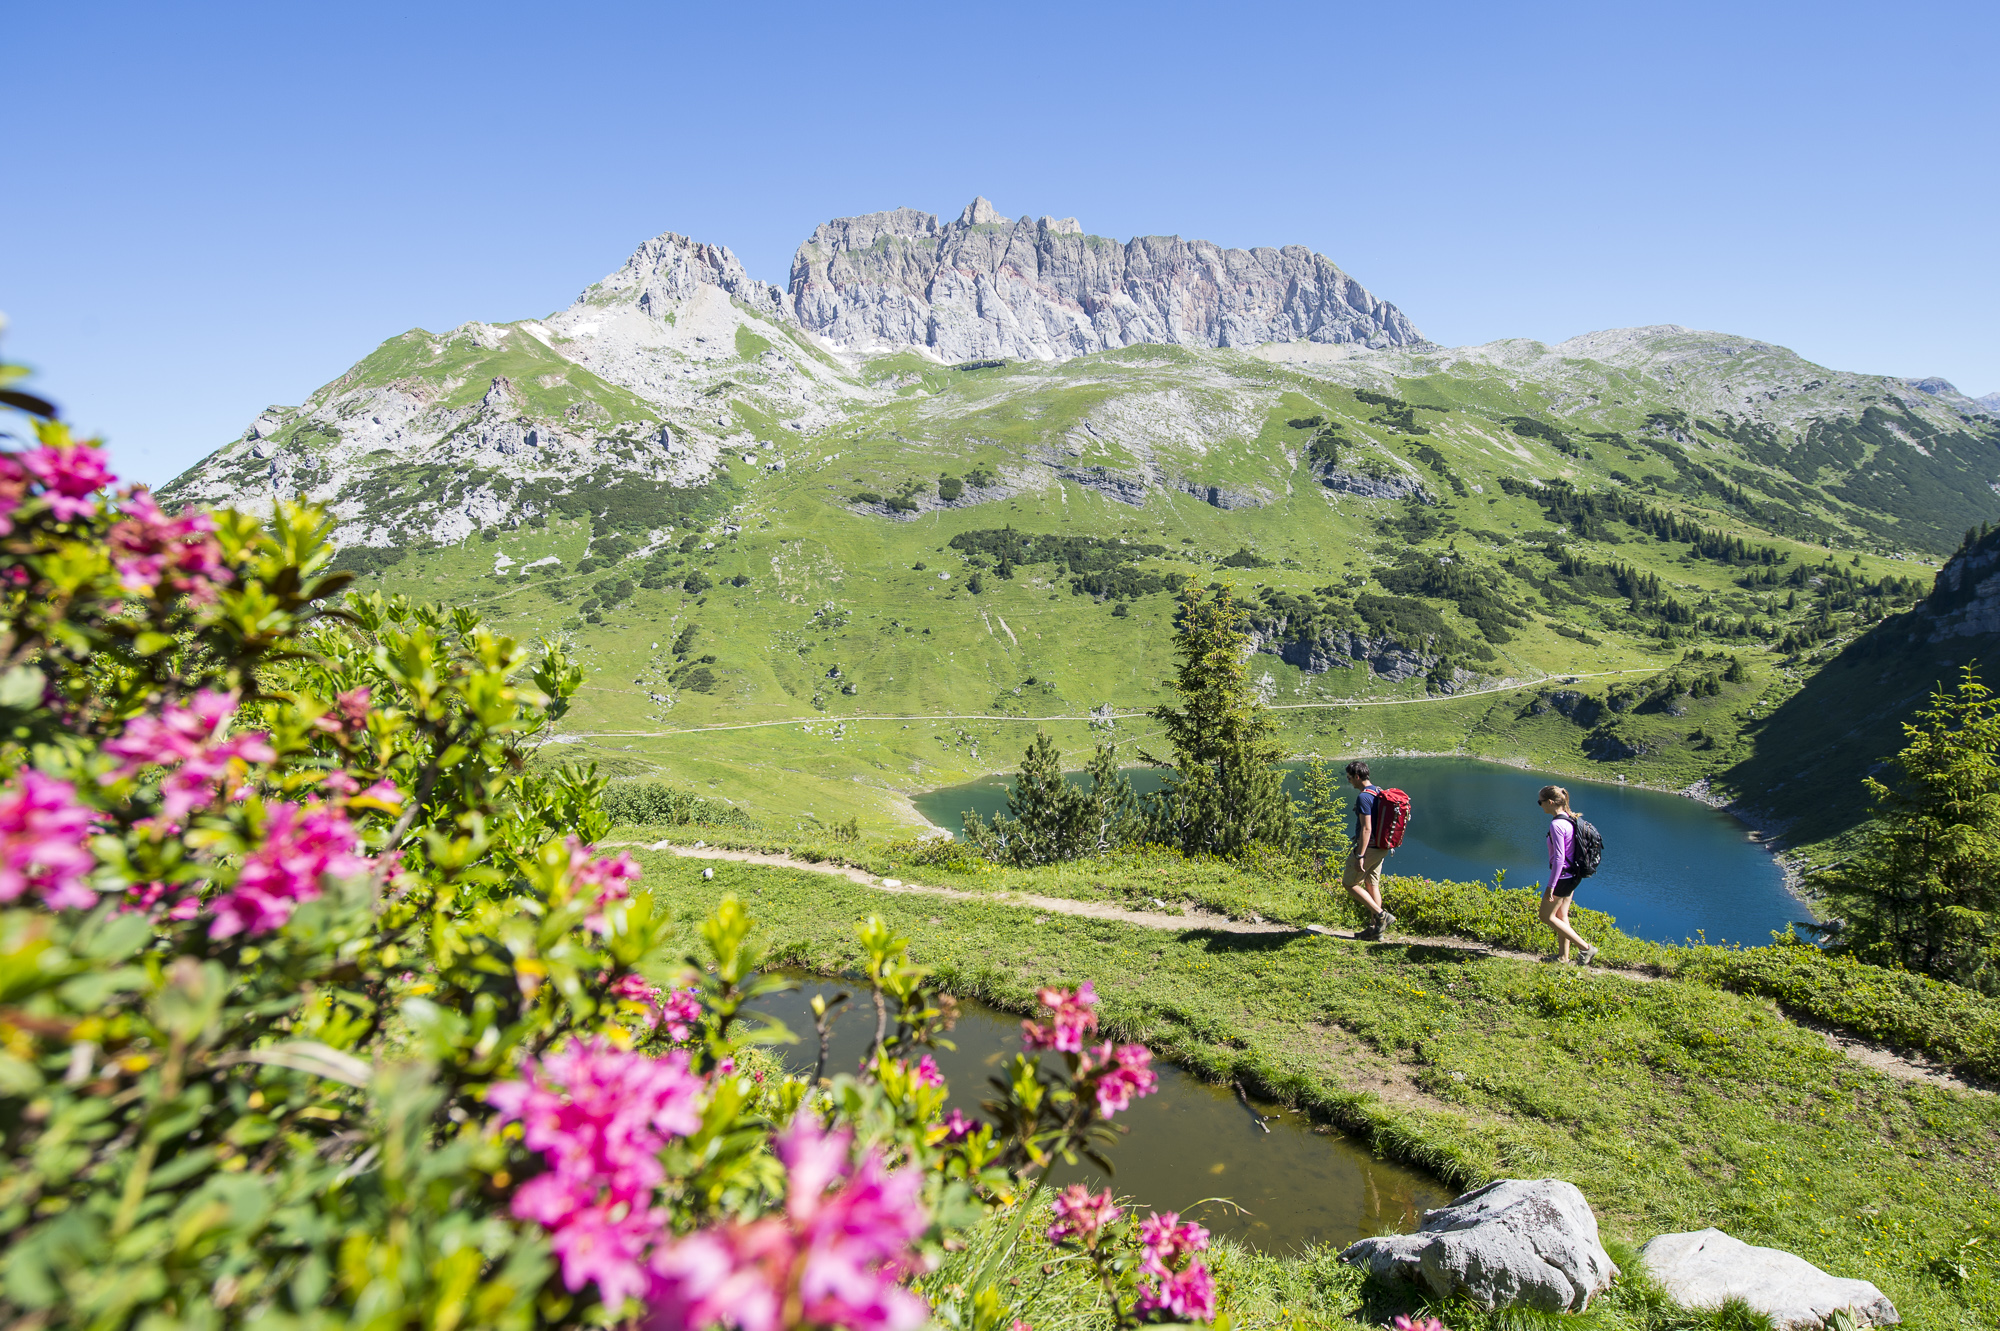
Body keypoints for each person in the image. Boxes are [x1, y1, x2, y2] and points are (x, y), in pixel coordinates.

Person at [1537, 784, 1597, 966]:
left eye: (1540, 802)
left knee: (1545, 916)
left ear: (1550, 802)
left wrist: (1551, 886)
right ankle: (1563, 957)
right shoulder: (1571, 819)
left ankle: (1586, 948)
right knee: (1562, 916)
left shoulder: (1556, 824)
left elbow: (1559, 858)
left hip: (1562, 877)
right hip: (1573, 876)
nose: (1540, 805)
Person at [1343, 761, 1397, 940]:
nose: (1349, 781)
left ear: (1357, 777)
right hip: (1382, 847)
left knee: (1349, 883)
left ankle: (1381, 915)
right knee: (1372, 884)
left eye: (1350, 778)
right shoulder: (1378, 791)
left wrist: (1360, 855)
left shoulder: (1364, 797)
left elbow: (1367, 829)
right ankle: (1375, 930)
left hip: (1370, 848)